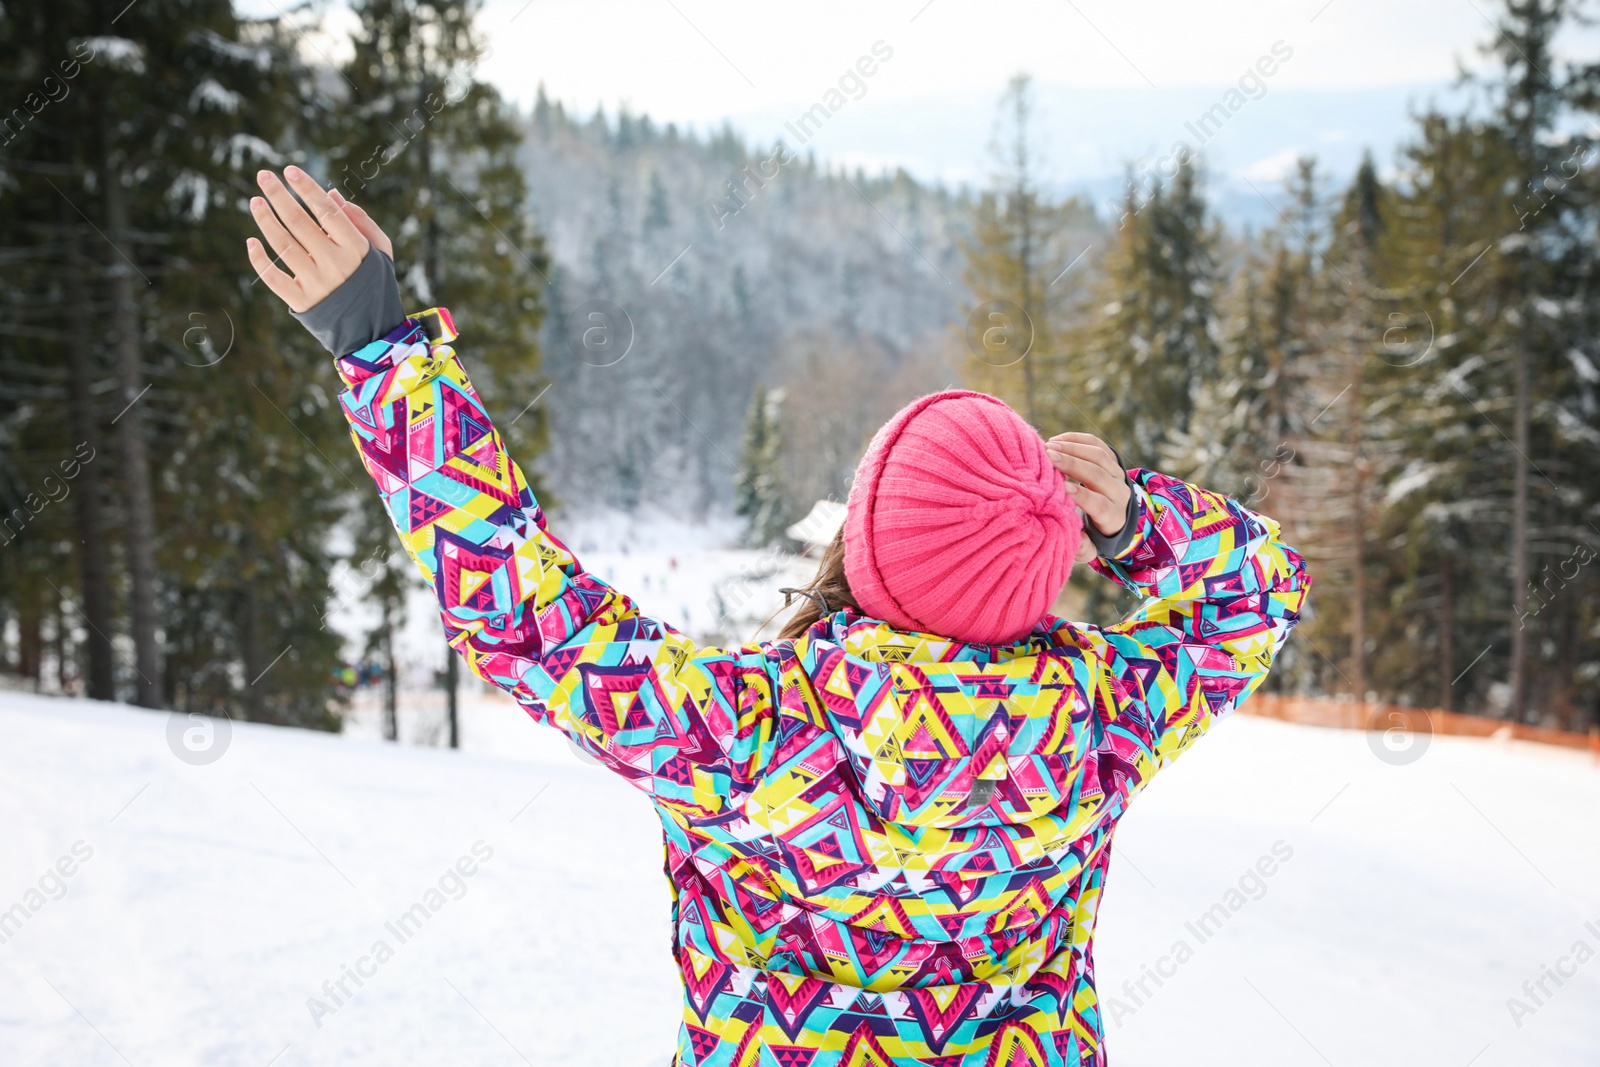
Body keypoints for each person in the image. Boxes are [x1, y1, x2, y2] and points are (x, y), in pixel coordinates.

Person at [247, 166, 1311, 1067]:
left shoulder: (751, 733)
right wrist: (1140, 524)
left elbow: (526, 613)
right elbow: (1257, 597)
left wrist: (378, 344)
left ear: (862, 550)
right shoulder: (1100, 723)